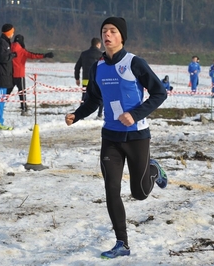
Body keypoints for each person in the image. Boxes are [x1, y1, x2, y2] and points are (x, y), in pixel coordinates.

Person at [65, 17, 168, 259]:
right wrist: (76, 115)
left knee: (139, 193)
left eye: (112, 31)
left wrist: (134, 113)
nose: (107, 35)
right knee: (111, 189)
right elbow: (94, 99)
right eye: (104, 31)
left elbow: (159, 92)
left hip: (137, 136)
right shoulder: (97, 67)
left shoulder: (135, 63)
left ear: (122, 36)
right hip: (110, 137)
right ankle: (122, 243)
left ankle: (153, 170)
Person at [9, 34, 54, 116]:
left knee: (6, 92)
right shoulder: (22, 51)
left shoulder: (9, 48)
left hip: (10, 74)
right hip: (19, 74)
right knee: (22, 93)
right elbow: (33, 55)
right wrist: (45, 55)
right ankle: (24, 108)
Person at [74, 37, 103, 118]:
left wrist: (77, 78)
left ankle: (81, 115)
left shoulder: (84, 54)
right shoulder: (101, 54)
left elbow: (77, 67)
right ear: (98, 44)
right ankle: (99, 114)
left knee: (84, 97)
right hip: (97, 79)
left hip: (85, 79)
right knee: (100, 96)